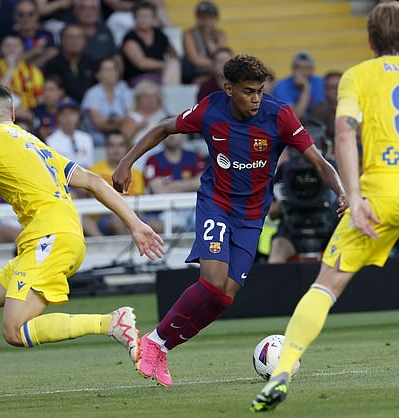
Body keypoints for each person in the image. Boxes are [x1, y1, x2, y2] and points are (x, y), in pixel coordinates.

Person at [251, 2, 399, 412]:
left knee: (327, 283)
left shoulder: (358, 76)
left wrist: (355, 196)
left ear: (369, 39)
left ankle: (282, 371)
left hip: (381, 194)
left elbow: (344, 134)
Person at [0, 84, 165, 410]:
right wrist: (136, 224)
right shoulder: (33, 142)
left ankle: (111, 322)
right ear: (13, 114)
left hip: (50, 237)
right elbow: (94, 181)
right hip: (55, 236)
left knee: (14, 331)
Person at [112, 54, 346, 387]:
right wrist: (126, 162)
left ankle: (162, 345)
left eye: (260, 91)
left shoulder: (279, 115)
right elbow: (164, 128)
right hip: (216, 204)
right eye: (249, 91)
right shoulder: (211, 109)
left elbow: (319, 161)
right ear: (229, 88)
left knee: (223, 296)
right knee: (212, 280)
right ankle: (153, 341)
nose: (255, 99)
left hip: (252, 217)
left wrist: (342, 192)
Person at [86, 131, 147, 236]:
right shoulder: (93, 170)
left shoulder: (136, 173)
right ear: (106, 147)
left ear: (127, 148)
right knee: (118, 221)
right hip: (103, 216)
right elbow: (92, 198)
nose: (116, 149)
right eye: (112, 145)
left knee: (157, 224)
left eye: (120, 145)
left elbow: (139, 202)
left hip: (132, 214)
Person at [144, 133, 205, 232]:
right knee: (153, 224)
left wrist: (172, 185)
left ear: (183, 135)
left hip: (192, 209)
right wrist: (189, 184)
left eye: (175, 132)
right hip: (163, 211)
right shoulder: (152, 160)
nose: (171, 136)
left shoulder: (194, 156)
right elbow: (159, 192)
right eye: (167, 133)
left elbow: (200, 183)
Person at [43, 24, 95, 102]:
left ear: (85, 41)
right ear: (62, 40)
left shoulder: (92, 63)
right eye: (70, 37)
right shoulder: (52, 65)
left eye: (78, 37)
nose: (74, 41)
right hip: (63, 107)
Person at [182, 1, 227, 84]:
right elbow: (195, 60)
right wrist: (216, 63)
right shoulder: (189, 34)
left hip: (215, 70)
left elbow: (221, 55)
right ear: (198, 18)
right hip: (195, 72)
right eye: (203, 17)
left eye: (210, 17)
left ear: (215, 18)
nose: (206, 20)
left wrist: (210, 42)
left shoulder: (220, 34)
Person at [271, 51, 325, 122]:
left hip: (319, 124)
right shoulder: (281, 86)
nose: (302, 72)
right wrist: (305, 89)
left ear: (312, 69)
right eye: (298, 68)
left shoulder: (321, 82)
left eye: (306, 68)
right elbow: (295, 116)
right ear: (292, 69)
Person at [45, 97, 94, 168]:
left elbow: (90, 165)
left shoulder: (86, 138)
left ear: (78, 116)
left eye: (72, 113)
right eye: (64, 114)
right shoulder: (51, 141)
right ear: (58, 117)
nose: (68, 118)